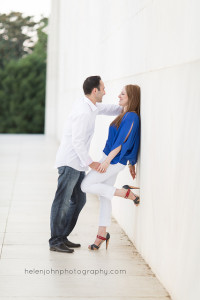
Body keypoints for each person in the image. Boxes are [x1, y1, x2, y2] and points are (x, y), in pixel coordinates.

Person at [49, 76, 123, 253]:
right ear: (95, 91)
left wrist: (126, 108)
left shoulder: (91, 106)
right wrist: (92, 163)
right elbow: (77, 142)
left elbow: (109, 108)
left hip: (77, 164)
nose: (106, 92)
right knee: (62, 202)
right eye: (103, 88)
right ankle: (55, 241)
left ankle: (62, 236)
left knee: (79, 200)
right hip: (70, 163)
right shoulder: (83, 111)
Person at [81, 84, 140, 250]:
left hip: (112, 161)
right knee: (104, 197)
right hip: (110, 159)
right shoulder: (124, 114)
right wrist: (131, 164)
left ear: (132, 97)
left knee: (85, 185)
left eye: (123, 94)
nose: (119, 96)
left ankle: (125, 193)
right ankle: (101, 235)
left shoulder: (132, 117)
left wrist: (106, 161)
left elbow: (122, 142)